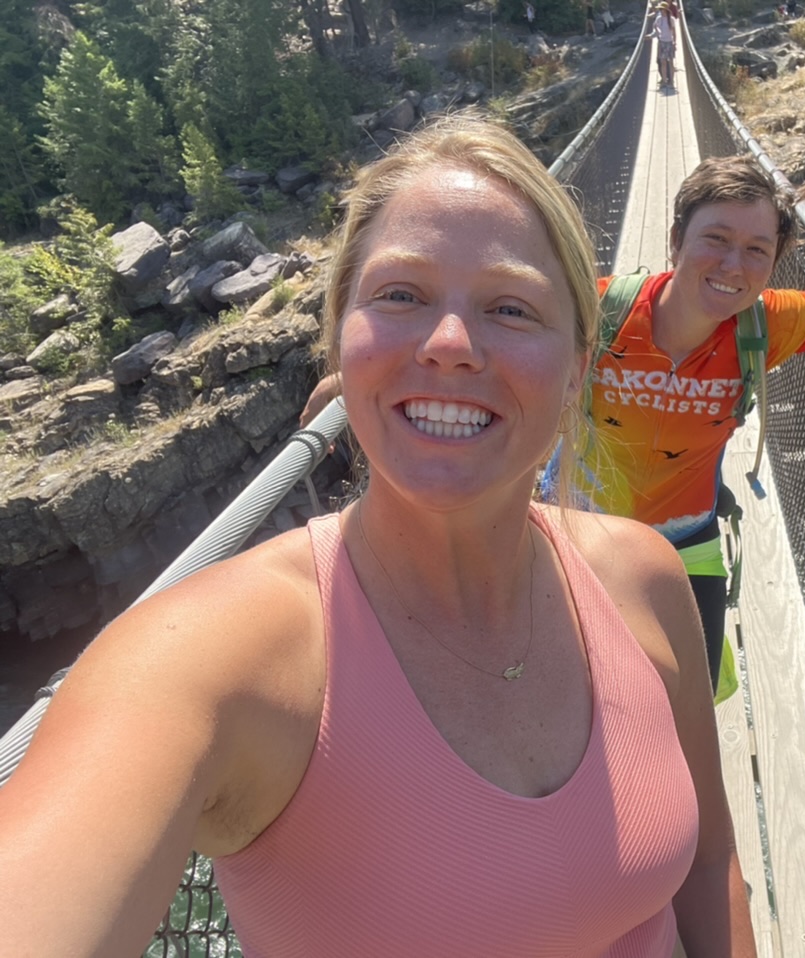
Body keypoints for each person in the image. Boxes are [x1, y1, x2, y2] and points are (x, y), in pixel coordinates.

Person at [0, 115, 757, 958]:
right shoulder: (214, 656)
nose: (449, 346)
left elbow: (711, 860)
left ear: (580, 363)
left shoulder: (643, 575)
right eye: (401, 296)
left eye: (510, 308)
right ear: (341, 342)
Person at [304, 155, 805, 692]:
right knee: (568, 686)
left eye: (756, 250)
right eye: (716, 239)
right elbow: (496, 342)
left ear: (773, 262)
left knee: (689, 690)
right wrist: (352, 383)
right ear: (676, 239)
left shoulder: (765, 325)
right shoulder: (604, 312)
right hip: (573, 533)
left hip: (687, 543)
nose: (733, 265)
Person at [649, 2, 677, 90]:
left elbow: (674, 32)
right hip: (662, 42)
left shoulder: (671, 19)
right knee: (663, 62)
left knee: (671, 62)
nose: (660, 11)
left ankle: (671, 82)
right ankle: (664, 82)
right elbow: (654, 26)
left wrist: (674, 43)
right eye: (660, 9)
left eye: (661, 9)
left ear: (665, 9)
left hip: (669, 42)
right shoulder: (659, 19)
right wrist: (658, 32)